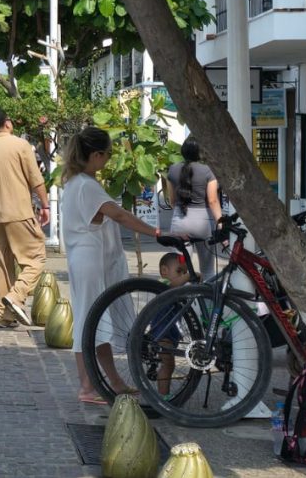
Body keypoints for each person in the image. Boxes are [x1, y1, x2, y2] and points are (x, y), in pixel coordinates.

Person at [61, 126, 169, 404]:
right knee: (88, 321)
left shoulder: (77, 181)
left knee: (97, 321)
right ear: (96, 154)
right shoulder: (86, 185)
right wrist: (156, 233)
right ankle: (86, 387)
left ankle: (114, 381)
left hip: (87, 258)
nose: (108, 160)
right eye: (107, 154)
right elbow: (119, 215)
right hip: (89, 260)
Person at [0, 109, 50, 327]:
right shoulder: (20, 145)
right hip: (19, 212)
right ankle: (16, 296)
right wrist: (45, 205)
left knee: (2, 265)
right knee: (36, 258)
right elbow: (36, 180)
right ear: (7, 123)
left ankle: (3, 316)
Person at [165, 137, 222, 281]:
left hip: (180, 223)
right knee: (208, 269)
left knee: (179, 269)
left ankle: (179, 301)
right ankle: (209, 303)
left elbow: (171, 200)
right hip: (202, 224)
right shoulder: (208, 171)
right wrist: (221, 223)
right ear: (200, 153)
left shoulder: (172, 170)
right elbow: (212, 200)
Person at [153, 252, 192, 397]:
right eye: (179, 272)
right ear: (164, 271)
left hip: (171, 334)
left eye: (185, 272)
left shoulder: (177, 287)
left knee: (169, 365)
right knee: (167, 364)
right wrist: (188, 277)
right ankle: (163, 397)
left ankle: (164, 396)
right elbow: (173, 286)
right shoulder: (162, 284)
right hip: (162, 333)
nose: (183, 275)